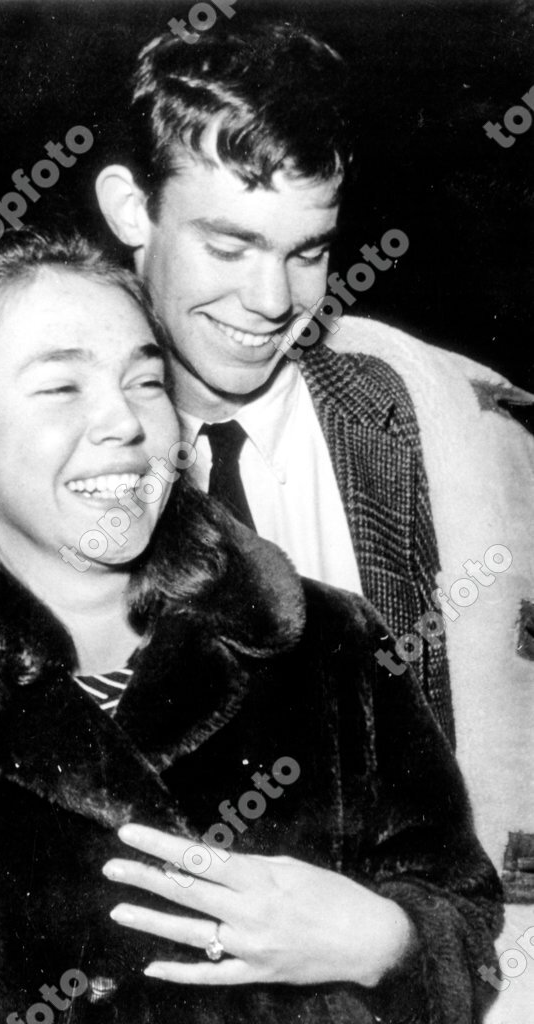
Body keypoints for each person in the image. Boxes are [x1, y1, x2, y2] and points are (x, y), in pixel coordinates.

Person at [0, 229, 500, 1023]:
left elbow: (470, 921)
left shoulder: (328, 645)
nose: (125, 422)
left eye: (145, 382)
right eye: (61, 388)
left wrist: (385, 939)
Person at [94, 24, 534, 1018]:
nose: (269, 300)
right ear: (131, 208)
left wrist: (394, 943)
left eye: (306, 252)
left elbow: (482, 857)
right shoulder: (45, 461)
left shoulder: (417, 424)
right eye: (229, 243)